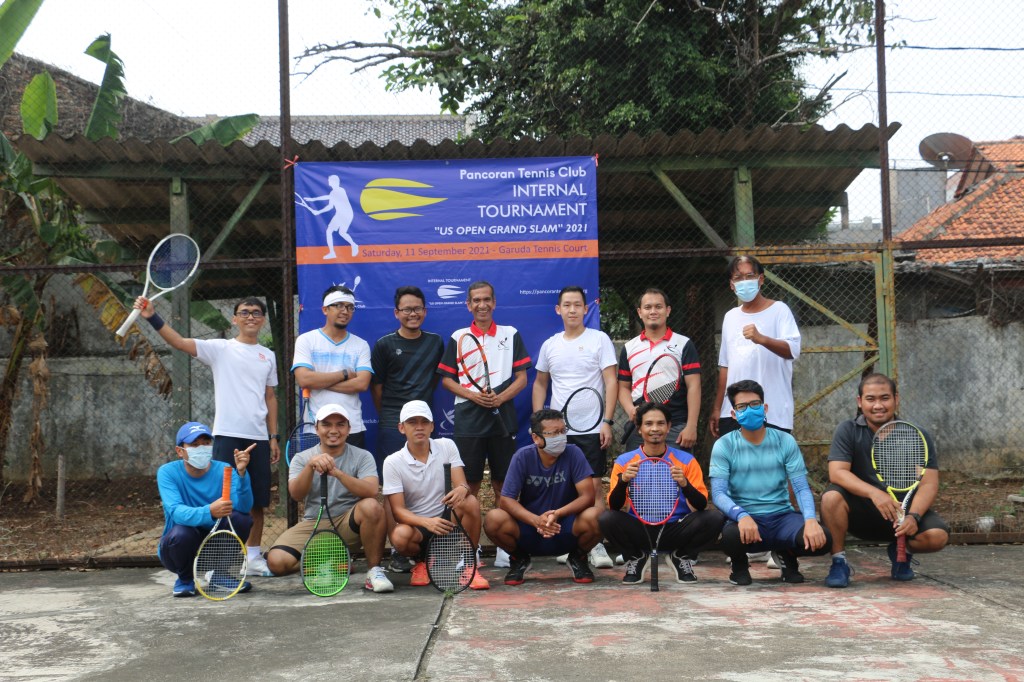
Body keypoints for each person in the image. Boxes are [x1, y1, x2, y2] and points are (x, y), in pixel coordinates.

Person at [136, 295, 279, 576]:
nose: (251, 316)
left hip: (258, 439)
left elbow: (270, 396)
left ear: (263, 320)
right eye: (244, 312)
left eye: (256, 312)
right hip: (226, 435)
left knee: (256, 501)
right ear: (234, 319)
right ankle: (218, 562)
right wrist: (152, 316)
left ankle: (252, 558)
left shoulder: (268, 356)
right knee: (224, 500)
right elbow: (179, 342)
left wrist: (273, 436)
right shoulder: (220, 349)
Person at [820, 373, 950, 588]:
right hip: (860, 516)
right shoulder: (847, 430)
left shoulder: (917, 435)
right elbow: (838, 473)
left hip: (901, 515)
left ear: (896, 399)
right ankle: (839, 562)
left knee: (937, 537)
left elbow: (928, 483)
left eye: (885, 398)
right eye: (870, 399)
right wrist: (875, 493)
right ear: (859, 402)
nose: (878, 405)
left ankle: (901, 551)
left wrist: (913, 517)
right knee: (831, 497)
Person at [437, 280, 532, 568]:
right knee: (468, 487)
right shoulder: (458, 336)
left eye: (487, 299)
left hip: (503, 420)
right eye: (476, 300)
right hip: (469, 420)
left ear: (494, 302)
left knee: (505, 485)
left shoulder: (510, 334)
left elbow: (522, 379)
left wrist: (499, 398)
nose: (482, 305)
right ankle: (470, 549)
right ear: (468, 304)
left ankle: (505, 547)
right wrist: (474, 396)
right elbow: (447, 380)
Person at [709, 380, 830, 586]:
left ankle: (786, 554)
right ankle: (739, 565)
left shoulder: (785, 440)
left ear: (764, 408)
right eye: (742, 406)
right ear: (734, 414)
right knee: (729, 536)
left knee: (823, 539)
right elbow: (718, 493)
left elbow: (801, 487)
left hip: (782, 517)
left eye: (754, 404)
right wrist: (741, 515)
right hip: (747, 520)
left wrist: (810, 519)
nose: (749, 410)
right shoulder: (724, 445)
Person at [265, 404, 394, 593]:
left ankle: (373, 571)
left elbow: (371, 490)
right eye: (326, 424)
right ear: (316, 428)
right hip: (313, 523)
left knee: (372, 506)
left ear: (349, 429)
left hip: (348, 525)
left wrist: (338, 473)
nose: (333, 430)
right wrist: (310, 467)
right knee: (276, 562)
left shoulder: (363, 456)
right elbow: (296, 494)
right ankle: (327, 562)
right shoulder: (302, 458)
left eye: (340, 424)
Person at [532, 285, 618, 569]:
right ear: (558, 310)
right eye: (567, 305)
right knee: (563, 490)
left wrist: (607, 421)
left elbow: (610, 381)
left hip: (592, 430)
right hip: (558, 433)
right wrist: (539, 424)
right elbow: (540, 383)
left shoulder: (599, 340)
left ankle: (597, 544)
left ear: (585, 309)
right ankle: (569, 543)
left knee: (593, 489)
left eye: (577, 305)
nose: (572, 310)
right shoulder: (550, 345)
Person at [600, 402, 724, 585]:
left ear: (669, 427)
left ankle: (680, 556)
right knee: (607, 518)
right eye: (648, 424)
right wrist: (623, 481)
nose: (655, 429)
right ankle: (637, 557)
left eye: (660, 423)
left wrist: (685, 484)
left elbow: (700, 505)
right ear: (639, 429)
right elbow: (615, 506)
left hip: (675, 528)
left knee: (715, 518)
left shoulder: (686, 460)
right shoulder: (624, 462)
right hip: (639, 529)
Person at [372, 285, 446, 573]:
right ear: (396, 313)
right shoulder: (384, 344)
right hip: (393, 420)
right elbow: (377, 388)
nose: (412, 313)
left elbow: (436, 380)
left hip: (423, 419)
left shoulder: (436, 342)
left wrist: (418, 418)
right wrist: (393, 417)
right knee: (393, 489)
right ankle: (397, 549)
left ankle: (431, 544)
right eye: (406, 309)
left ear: (424, 311)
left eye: (417, 309)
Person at [484, 409, 603, 586]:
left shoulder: (574, 453)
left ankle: (578, 557)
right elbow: (506, 500)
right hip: (529, 529)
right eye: (553, 433)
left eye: (563, 431)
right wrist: (536, 521)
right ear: (536, 438)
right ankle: (519, 559)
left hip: (566, 526)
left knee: (598, 516)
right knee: (493, 519)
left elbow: (588, 496)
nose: (560, 437)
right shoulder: (522, 456)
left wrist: (558, 513)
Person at [382, 400, 490, 590]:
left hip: (448, 521)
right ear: (401, 428)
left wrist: (463, 488)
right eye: (412, 422)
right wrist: (427, 522)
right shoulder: (392, 462)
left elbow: (462, 484)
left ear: (432, 426)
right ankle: (422, 562)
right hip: (419, 526)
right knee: (399, 536)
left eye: (424, 422)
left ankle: (469, 564)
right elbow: (398, 511)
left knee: (470, 501)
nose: (419, 427)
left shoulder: (447, 445)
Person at [156, 421, 254, 597]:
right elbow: (176, 512)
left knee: (242, 519)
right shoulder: (167, 472)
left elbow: (244, 507)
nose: (201, 448)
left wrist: (241, 474)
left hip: (213, 546)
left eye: (206, 443)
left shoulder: (224, 469)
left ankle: (220, 575)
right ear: (180, 451)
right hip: (176, 550)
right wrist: (209, 511)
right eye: (194, 444)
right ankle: (185, 580)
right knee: (182, 532)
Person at [710, 256, 801, 438]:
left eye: (750, 276)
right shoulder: (730, 317)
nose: (744, 282)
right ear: (732, 285)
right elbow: (725, 367)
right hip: (733, 413)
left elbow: (793, 350)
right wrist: (718, 408)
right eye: (738, 278)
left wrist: (762, 339)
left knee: (771, 457)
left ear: (761, 279)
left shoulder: (779, 310)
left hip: (772, 412)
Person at [617, 288, 701, 451]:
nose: (653, 311)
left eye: (658, 307)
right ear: (640, 312)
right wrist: (630, 409)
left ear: (668, 311)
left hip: (676, 426)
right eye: (648, 307)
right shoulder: (629, 347)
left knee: (677, 469)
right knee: (638, 469)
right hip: (640, 426)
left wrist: (691, 425)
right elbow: (623, 387)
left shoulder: (684, 344)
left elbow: (694, 386)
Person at [292, 285, 373, 449]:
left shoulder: (361, 345)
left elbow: (362, 384)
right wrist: (344, 374)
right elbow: (304, 379)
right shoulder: (306, 340)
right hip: (316, 428)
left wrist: (319, 382)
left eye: (350, 307)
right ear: (325, 310)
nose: (345, 311)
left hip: (352, 427)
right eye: (339, 305)